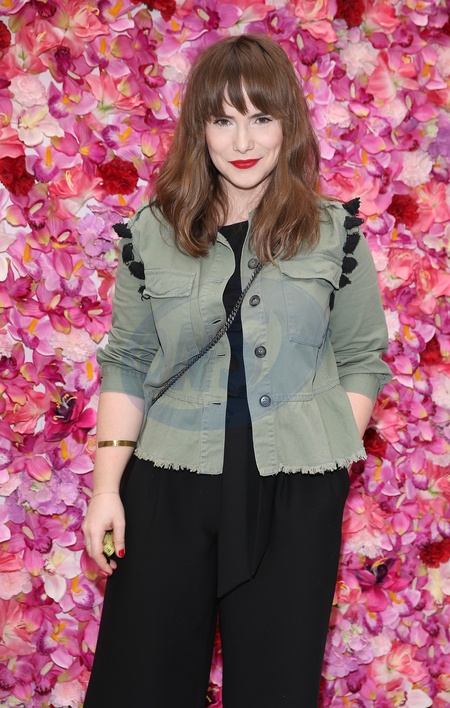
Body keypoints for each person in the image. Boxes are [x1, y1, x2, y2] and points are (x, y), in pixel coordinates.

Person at [82, 33, 392, 708]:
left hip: (294, 491)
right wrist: (106, 489)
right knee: (142, 683)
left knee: (276, 688)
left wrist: (328, 461)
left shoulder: (335, 232)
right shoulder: (151, 232)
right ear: (199, 129)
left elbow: (363, 355)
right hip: (167, 482)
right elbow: (129, 361)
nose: (242, 140)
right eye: (222, 119)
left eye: (261, 116)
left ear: (288, 124)